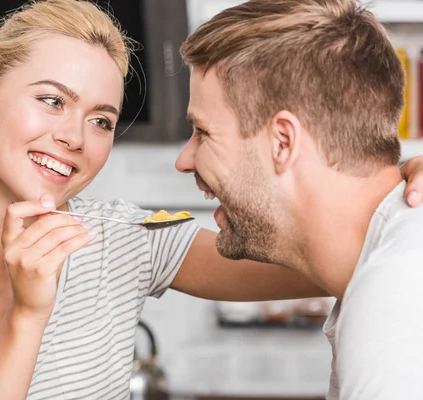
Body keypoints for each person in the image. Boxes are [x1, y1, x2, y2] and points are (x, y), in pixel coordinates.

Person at [0, 0, 423, 399]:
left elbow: (326, 245)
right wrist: (26, 316)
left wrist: (394, 184)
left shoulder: (123, 237)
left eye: (102, 119)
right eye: (52, 100)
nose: (73, 136)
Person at [175, 0, 423, 399]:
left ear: (282, 142)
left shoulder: (395, 306)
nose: (184, 160)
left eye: (202, 132)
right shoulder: (393, 257)